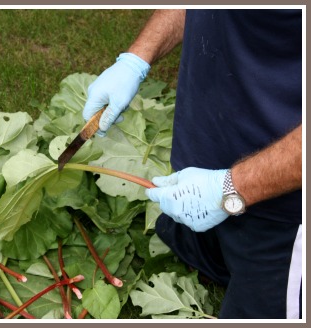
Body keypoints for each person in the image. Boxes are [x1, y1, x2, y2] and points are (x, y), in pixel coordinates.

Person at [82, 9, 302, 319]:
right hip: (202, 159)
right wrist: (136, 58)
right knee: (197, 256)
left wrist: (230, 189)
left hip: (285, 208)